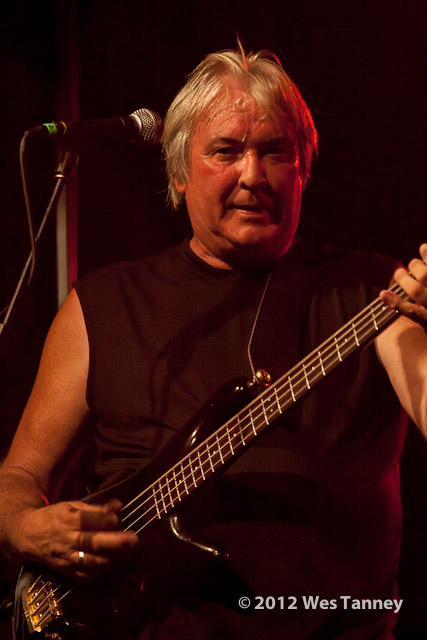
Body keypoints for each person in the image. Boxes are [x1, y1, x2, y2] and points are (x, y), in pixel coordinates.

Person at [1, 45, 427, 640]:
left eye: (275, 152)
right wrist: (22, 526)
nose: (252, 175)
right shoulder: (101, 305)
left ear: (303, 170)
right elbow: (19, 474)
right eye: (226, 151)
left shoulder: (377, 292)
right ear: (178, 173)